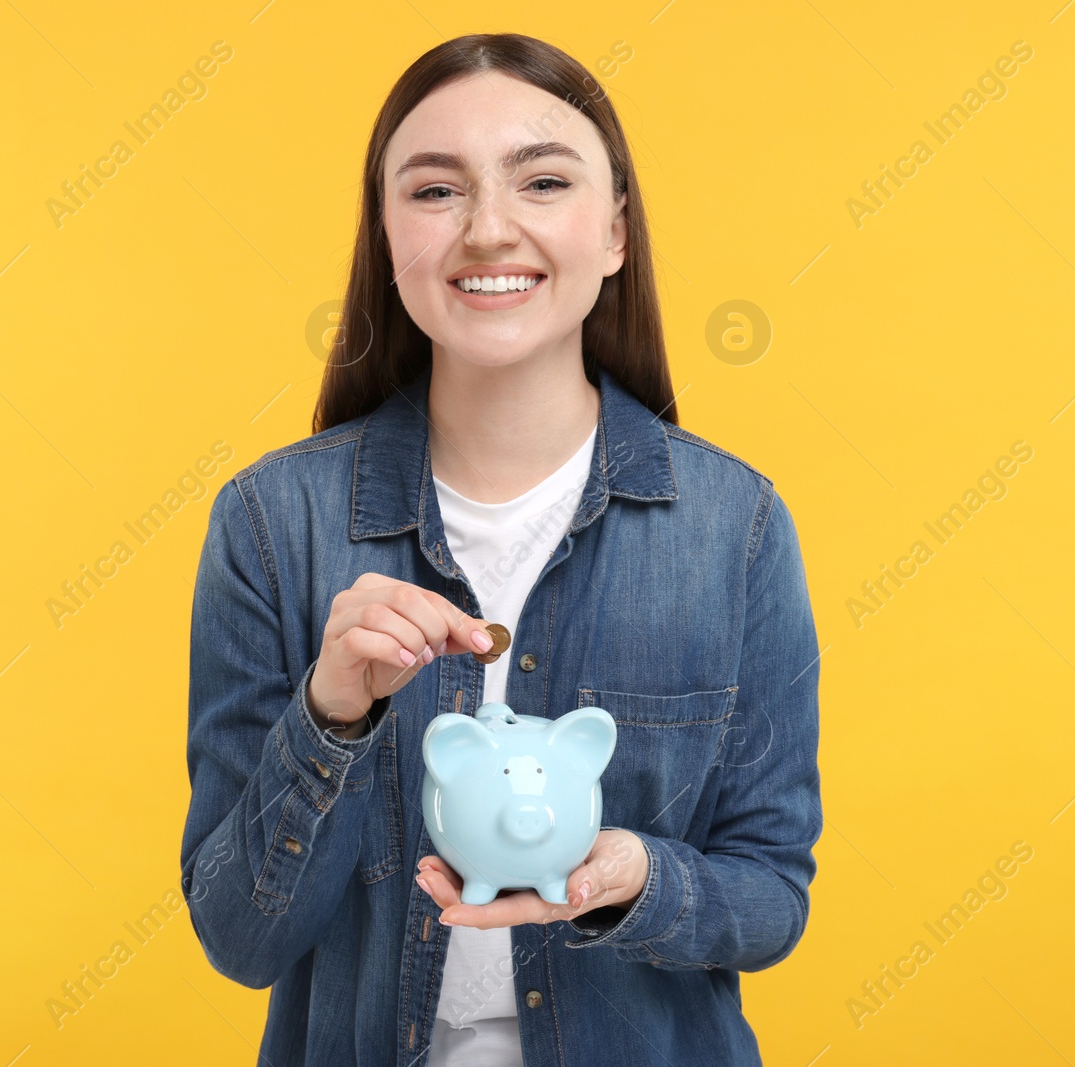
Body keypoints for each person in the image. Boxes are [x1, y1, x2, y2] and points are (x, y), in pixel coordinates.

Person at [180, 32, 823, 1067]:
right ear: (386, 235)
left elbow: (771, 896)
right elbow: (238, 935)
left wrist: (634, 878)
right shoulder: (272, 521)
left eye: (543, 181)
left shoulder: (733, 527)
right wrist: (332, 712)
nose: (487, 229)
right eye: (434, 191)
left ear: (614, 231)